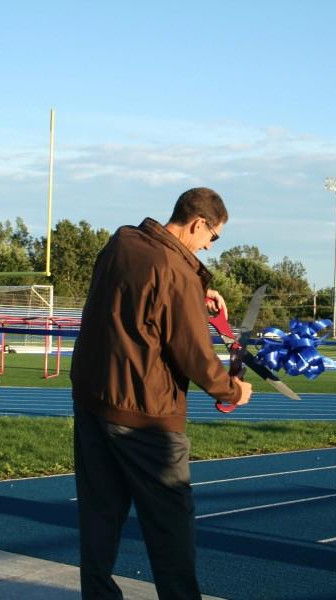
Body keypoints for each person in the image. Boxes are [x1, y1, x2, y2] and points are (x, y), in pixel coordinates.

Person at [70, 187, 253, 599]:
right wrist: (232, 389)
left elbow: (143, 292)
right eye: (213, 237)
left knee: (100, 513)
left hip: (93, 400)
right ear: (198, 223)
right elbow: (194, 355)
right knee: (170, 523)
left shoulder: (123, 241)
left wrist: (194, 291)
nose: (209, 246)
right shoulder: (175, 272)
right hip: (145, 415)